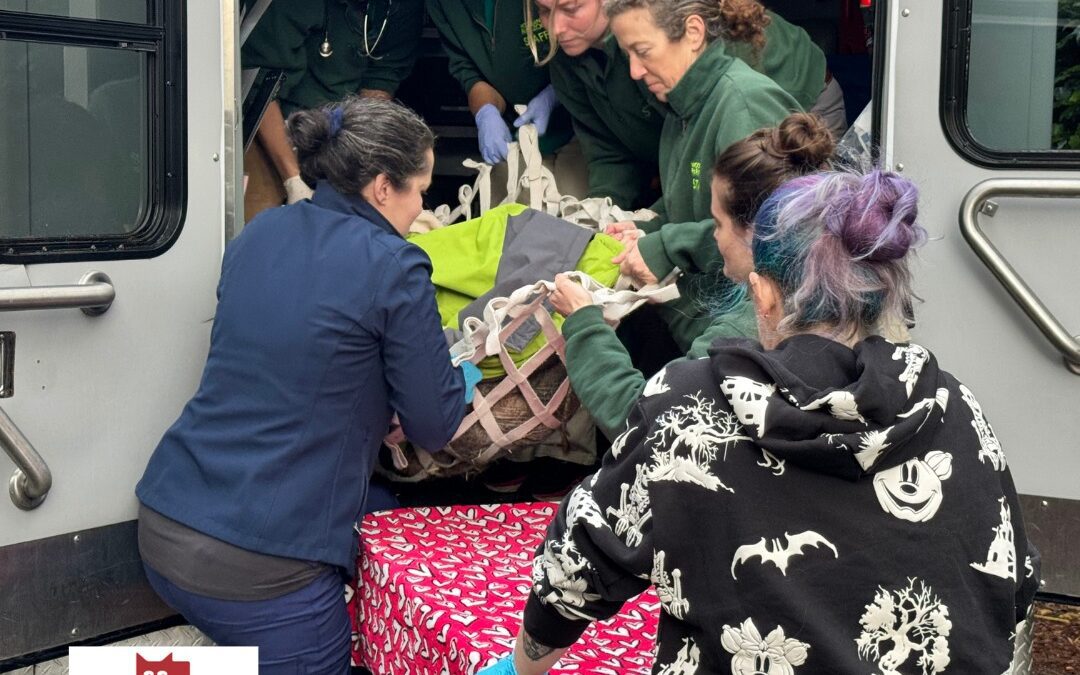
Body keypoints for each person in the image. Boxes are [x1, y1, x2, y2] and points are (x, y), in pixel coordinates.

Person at [483, 169, 1041, 674]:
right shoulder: (955, 405)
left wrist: (521, 668)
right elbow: (1013, 584)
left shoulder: (686, 407)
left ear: (764, 293)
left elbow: (575, 573)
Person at [135, 97, 466, 674]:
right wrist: (457, 372)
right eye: (420, 189)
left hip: (164, 524)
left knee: (381, 508)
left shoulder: (261, 232)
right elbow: (434, 426)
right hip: (259, 572)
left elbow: (301, 359)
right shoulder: (396, 264)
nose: (423, 206)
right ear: (383, 188)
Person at [550, 112, 834, 439]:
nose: (711, 234)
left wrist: (584, 323)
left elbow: (644, 423)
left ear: (753, 233)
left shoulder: (748, 330)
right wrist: (662, 245)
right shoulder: (818, 278)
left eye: (717, 223)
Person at [598, 0, 800, 356]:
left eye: (642, 51)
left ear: (693, 33)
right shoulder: (682, 108)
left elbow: (774, 236)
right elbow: (689, 202)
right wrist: (646, 229)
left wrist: (666, 246)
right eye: (626, 53)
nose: (633, 70)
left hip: (740, 334)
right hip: (696, 320)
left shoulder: (743, 105)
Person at [531, 0, 843, 210]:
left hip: (794, 104)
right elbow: (609, 154)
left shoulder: (670, 32)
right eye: (543, 11)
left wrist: (663, 243)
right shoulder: (578, 56)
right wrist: (606, 216)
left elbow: (743, 220)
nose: (555, 28)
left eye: (570, 8)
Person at [241, 0, 424, 216]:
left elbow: (381, 79)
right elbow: (261, 87)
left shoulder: (401, 8)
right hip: (275, 123)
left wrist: (358, 157)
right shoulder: (291, 6)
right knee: (265, 223)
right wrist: (294, 180)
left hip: (340, 134)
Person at [426, 0, 586, 198]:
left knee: (578, 212)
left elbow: (588, 42)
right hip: (515, 132)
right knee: (509, 212)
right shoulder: (443, 5)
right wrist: (487, 111)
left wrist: (556, 93)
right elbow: (466, 69)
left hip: (581, 125)